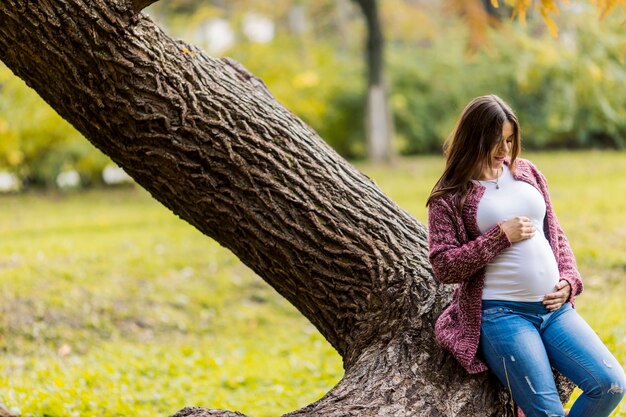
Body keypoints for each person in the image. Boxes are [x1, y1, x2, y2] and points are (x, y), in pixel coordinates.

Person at [426, 94, 625, 417]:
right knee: (546, 413)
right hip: (501, 315)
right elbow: (444, 265)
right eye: (496, 141)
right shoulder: (450, 195)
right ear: (473, 138)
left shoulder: (527, 172)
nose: (504, 150)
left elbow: (555, 232)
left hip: (555, 311)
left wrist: (569, 280)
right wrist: (498, 238)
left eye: (509, 139)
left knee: (610, 384)